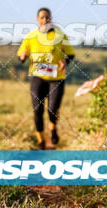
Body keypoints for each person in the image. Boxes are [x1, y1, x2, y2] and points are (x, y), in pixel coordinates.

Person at [18, 8, 75, 150]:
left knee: (52, 109)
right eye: (42, 17)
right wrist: (23, 57)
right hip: (37, 77)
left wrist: (65, 61)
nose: (45, 20)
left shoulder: (60, 35)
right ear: (37, 19)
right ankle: (41, 141)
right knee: (37, 110)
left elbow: (70, 54)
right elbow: (21, 56)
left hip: (56, 78)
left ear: (51, 19)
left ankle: (53, 129)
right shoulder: (30, 37)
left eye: (47, 17)